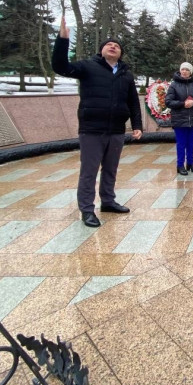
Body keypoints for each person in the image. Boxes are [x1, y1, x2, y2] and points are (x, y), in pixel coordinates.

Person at [51, 17, 142, 228]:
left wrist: (137, 126)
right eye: (109, 44)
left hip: (116, 131)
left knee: (110, 169)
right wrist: (62, 41)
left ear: (120, 53)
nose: (113, 46)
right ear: (101, 50)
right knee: (89, 171)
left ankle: (108, 201)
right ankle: (87, 210)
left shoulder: (126, 75)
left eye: (117, 46)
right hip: (92, 130)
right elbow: (60, 66)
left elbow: (133, 102)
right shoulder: (87, 67)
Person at [166, 62, 193, 175]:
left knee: (190, 143)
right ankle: (180, 165)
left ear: (190, 72)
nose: (184, 71)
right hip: (179, 120)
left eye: (187, 70)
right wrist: (182, 104)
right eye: (182, 69)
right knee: (181, 144)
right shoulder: (173, 85)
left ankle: (190, 163)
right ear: (180, 71)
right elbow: (168, 102)